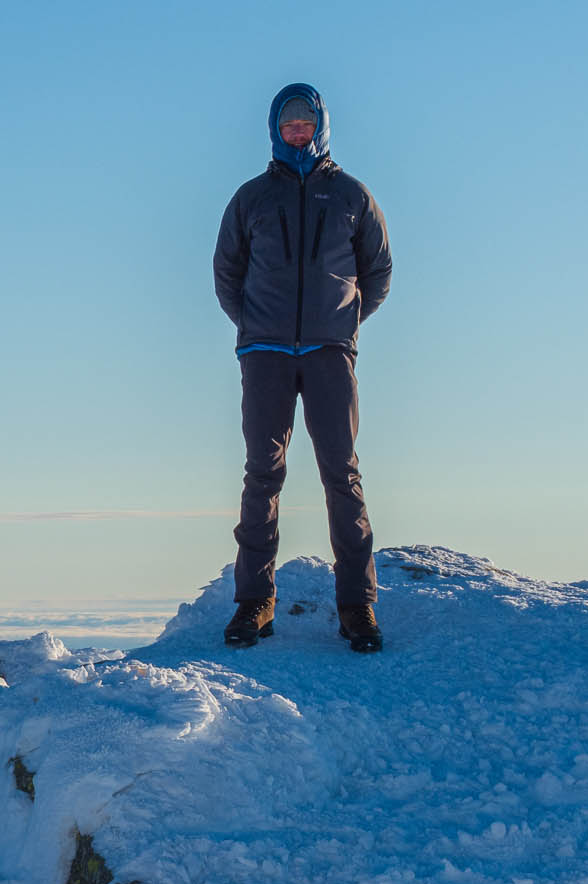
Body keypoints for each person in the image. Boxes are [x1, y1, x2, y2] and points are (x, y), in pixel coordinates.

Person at [213, 83, 392, 652]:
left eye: (305, 122)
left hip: (328, 352)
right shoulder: (251, 198)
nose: (297, 130)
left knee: (342, 472)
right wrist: (255, 326)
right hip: (264, 352)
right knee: (262, 472)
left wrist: (340, 324)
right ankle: (254, 604)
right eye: (288, 123)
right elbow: (227, 273)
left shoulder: (351, 196)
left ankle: (357, 607)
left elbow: (378, 272)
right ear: (275, 129)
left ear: (320, 126)